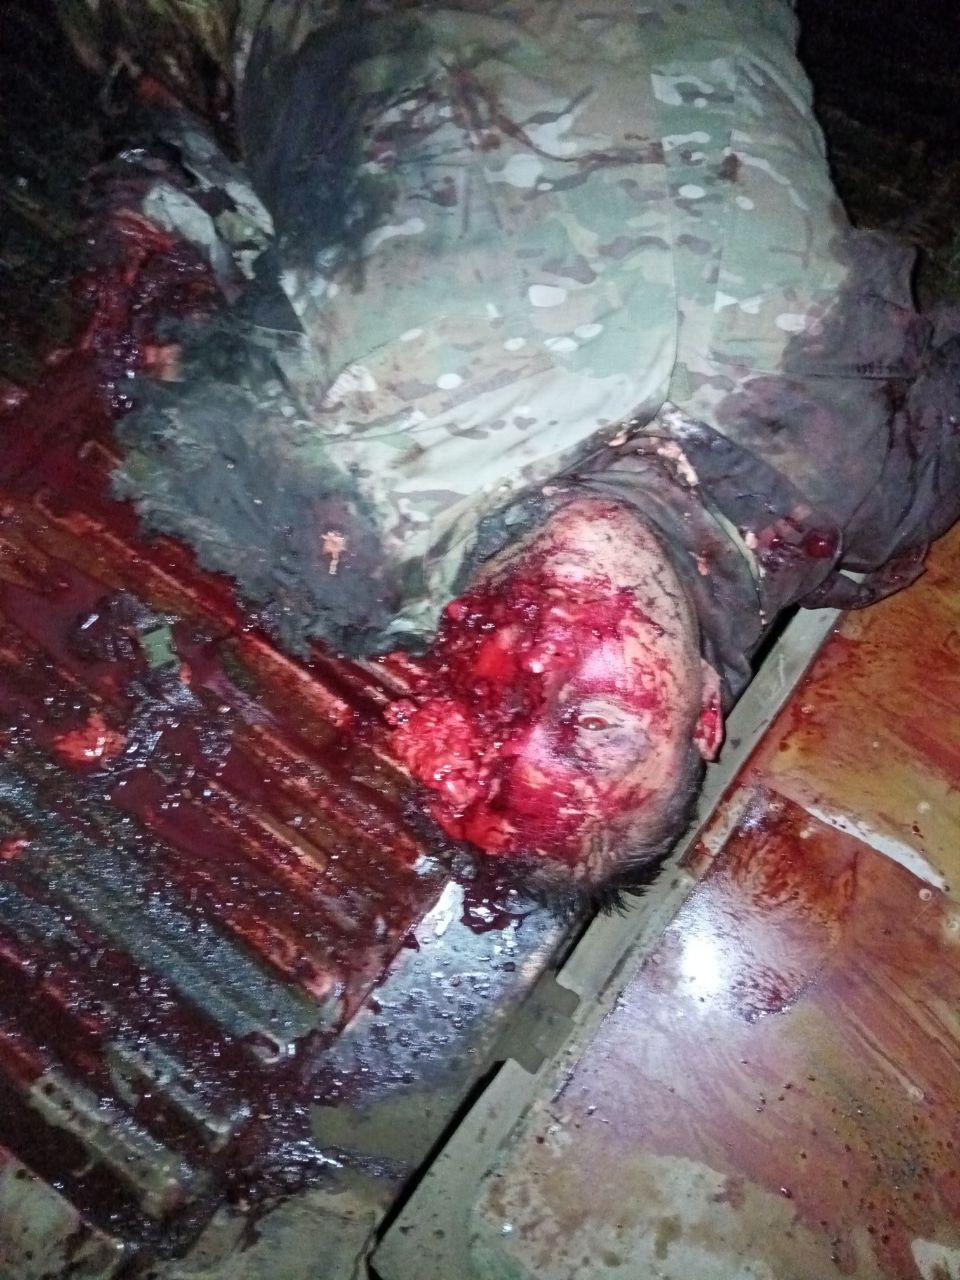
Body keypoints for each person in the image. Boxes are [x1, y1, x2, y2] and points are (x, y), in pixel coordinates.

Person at [59, 0, 960, 890]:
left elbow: (164, 220)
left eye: (498, 712)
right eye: (595, 726)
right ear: (704, 711)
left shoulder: (327, 529)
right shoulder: (869, 495)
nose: (541, 671)